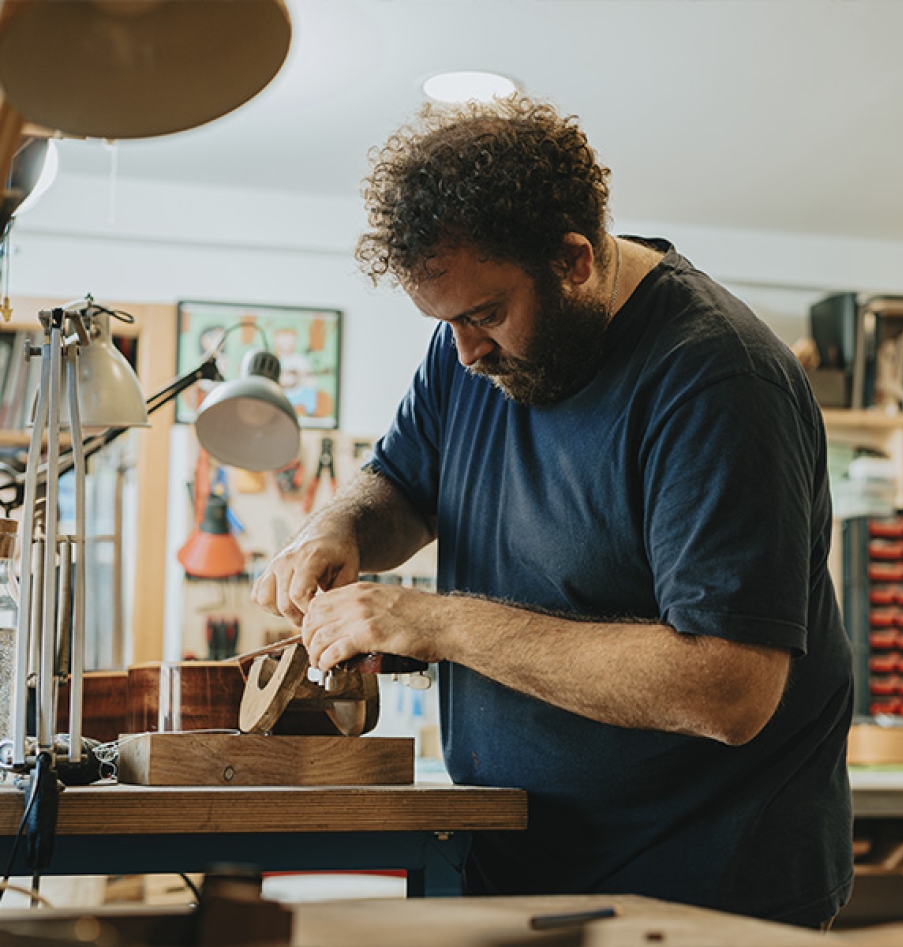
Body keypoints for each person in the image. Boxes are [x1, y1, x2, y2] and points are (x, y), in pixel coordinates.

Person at [251, 95, 854, 928]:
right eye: (445, 323)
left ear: (573, 259)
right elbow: (399, 482)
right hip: (520, 863)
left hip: (700, 886)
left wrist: (431, 622)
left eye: (484, 315)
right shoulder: (467, 352)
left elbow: (729, 687)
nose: (464, 352)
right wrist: (336, 527)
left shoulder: (716, 382)